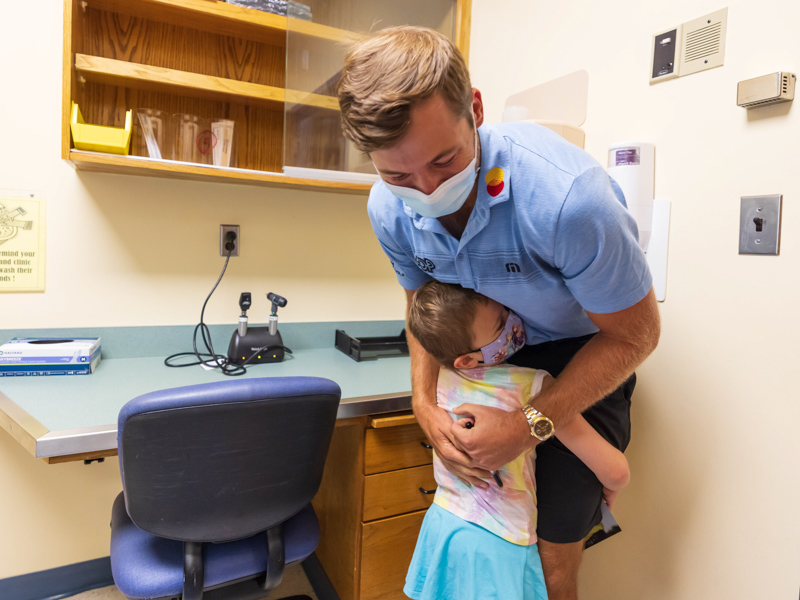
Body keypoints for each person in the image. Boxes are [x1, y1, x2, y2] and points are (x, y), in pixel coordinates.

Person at [337, 26, 660, 600]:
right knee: (481, 534)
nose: (430, 189)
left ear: (476, 110)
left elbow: (635, 335)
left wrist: (531, 424)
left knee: (549, 562)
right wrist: (422, 402)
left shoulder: (568, 201)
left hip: (579, 357)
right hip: (482, 356)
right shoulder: (388, 209)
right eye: (399, 175)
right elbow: (418, 303)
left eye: (444, 160)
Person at [403, 280, 630, 600]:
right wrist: (609, 489)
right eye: (500, 324)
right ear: (466, 359)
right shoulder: (534, 387)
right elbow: (616, 471)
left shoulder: (439, 379)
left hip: (445, 525)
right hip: (503, 545)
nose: (515, 322)